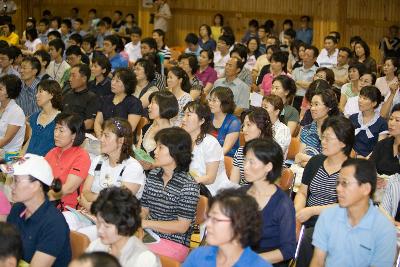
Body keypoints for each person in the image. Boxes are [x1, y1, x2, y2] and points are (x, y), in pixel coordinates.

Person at [310, 159, 397, 267]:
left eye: (345, 183)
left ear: (365, 189)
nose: (338, 188)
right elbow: (317, 261)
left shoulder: (384, 230)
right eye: (338, 182)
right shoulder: (328, 216)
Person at [294, 116, 355, 267]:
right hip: (307, 217)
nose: (323, 142)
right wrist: (297, 211)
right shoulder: (315, 162)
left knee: (309, 237)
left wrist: (313, 210)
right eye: (323, 137)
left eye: (329, 138)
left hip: (336, 222)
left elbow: (348, 205)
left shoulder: (352, 169)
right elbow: (302, 193)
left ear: (342, 143)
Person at [141, 127, 200, 262]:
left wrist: (145, 223)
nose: (155, 152)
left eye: (160, 148)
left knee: (138, 257)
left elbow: (181, 227)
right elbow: (144, 208)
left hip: (175, 242)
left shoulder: (189, 185)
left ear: (175, 153)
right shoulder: (154, 175)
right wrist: (138, 222)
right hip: (149, 234)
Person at [7, 153, 71, 267]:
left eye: (16, 180)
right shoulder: (17, 209)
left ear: (36, 185)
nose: (11, 186)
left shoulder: (55, 223)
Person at [182, 188, 272, 267]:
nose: (207, 224)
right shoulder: (198, 255)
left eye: (216, 219)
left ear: (240, 225)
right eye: (209, 217)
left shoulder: (259, 265)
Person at [242, 139, 296, 265]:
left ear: (268, 166)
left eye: (252, 162)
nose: (245, 167)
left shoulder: (283, 204)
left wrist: (250, 260)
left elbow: (288, 250)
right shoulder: (240, 194)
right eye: (245, 160)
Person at [84, 187, 160, 267]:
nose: (100, 230)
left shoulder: (144, 259)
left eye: (107, 226)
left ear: (124, 225)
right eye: (98, 223)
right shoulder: (96, 245)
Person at [182, 101, 233, 196]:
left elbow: (210, 178)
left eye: (188, 115)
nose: (183, 119)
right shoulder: (183, 141)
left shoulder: (210, 143)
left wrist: (185, 182)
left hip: (213, 192)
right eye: (183, 115)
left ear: (202, 121)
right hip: (191, 189)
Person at [45, 113, 91, 210]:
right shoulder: (52, 152)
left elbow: (69, 188)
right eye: (55, 129)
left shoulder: (81, 156)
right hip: (48, 204)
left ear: (74, 135)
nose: (56, 134)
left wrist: (42, 198)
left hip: (68, 209)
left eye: (61, 130)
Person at [295, 89, 340, 166]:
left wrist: (307, 159)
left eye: (316, 104)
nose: (312, 108)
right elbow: (299, 158)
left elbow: (331, 163)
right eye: (311, 105)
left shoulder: (337, 131)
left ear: (329, 106)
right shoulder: (306, 129)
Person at [94, 68, 142, 138]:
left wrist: (110, 139)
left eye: (117, 81)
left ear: (127, 85)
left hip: (123, 141)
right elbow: (97, 122)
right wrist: (101, 136)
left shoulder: (134, 103)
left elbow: (130, 129)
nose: (113, 83)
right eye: (113, 79)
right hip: (103, 138)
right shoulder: (105, 99)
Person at [231, 108, 273, 185]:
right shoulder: (240, 151)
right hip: (242, 194)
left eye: (249, 125)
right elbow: (233, 185)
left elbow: (272, 189)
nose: (244, 129)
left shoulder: (273, 154)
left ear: (261, 128)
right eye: (244, 125)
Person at [25, 80, 62, 156]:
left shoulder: (62, 120)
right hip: (28, 161)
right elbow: (29, 141)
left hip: (47, 164)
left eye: (40, 91)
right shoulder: (34, 117)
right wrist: (21, 157)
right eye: (37, 92)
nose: (36, 95)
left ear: (51, 94)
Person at [349, 86, 387, 158]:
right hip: (350, 156)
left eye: (364, 98)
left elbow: (379, 149)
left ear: (374, 103)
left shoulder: (382, 123)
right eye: (360, 97)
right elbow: (345, 140)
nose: (360, 100)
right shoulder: (353, 118)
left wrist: (365, 159)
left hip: (369, 161)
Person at [62, 64, 99, 131]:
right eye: (70, 75)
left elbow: (90, 123)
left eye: (73, 76)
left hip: (79, 133)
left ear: (84, 78)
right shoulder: (67, 94)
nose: (70, 79)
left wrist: (71, 129)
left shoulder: (92, 98)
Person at [208, 86, 241, 157]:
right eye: (210, 100)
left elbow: (225, 150)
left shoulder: (234, 122)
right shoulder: (208, 117)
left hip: (226, 159)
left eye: (214, 100)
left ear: (224, 103)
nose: (210, 103)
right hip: (208, 156)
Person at [370, 104, 400, 176]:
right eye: (391, 119)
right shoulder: (382, 144)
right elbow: (369, 168)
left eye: (397, 120)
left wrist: (387, 181)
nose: (391, 123)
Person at [0, 74, 25, 160]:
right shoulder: (1, 105)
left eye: (0, 89)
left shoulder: (17, 112)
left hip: (11, 156)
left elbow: (5, 140)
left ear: (8, 93)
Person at [263, 95, 291, 159]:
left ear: (276, 112)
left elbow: (277, 153)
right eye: (262, 106)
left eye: (266, 107)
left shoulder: (283, 129)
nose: (262, 109)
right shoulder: (259, 125)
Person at [292, 45, 319, 110]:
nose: (305, 57)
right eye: (304, 55)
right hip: (296, 99)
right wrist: (308, 84)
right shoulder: (296, 70)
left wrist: (298, 82)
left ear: (315, 58)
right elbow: (292, 86)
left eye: (308, 56)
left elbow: (314, 87)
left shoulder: (318, 71)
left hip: (310, 100)